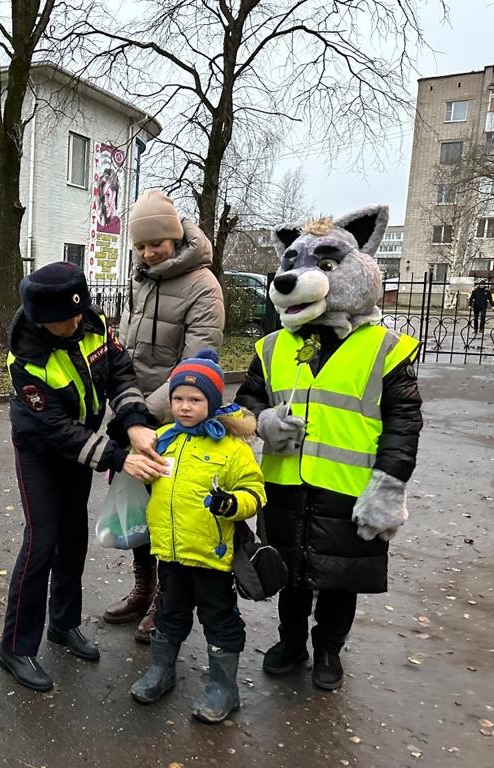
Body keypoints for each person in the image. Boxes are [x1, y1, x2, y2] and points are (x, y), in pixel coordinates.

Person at [236, 206, 422, 691]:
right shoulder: (273, 345)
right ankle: (291, 642)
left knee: (339, 579)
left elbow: (404, 422)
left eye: (325, 264)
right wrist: (263, 422)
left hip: (348, 489)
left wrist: (389, 486)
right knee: (290, 574)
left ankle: (329, 651)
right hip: (285, 484)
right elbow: (249, 399)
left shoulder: (386, 347)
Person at [0, 261, 166, 692]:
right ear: (40, 320)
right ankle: (16, 646)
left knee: (73, 536)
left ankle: (64, 623)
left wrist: (133, 421)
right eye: (63, 321)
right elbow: (54, 428)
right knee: (42, 539)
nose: (75, 324)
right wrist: (117, 458)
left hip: (83, 440)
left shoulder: (93, 322)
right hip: (40, 449)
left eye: (78, 314)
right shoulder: (26, 358)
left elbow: (120, 373)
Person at [106, 189, 224, 643]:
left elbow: (195, 369)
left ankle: (165, 603)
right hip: (131, 410)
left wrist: (140, 413)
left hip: (175, 418)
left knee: (168, 511)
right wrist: (122, 403)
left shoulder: (203, 287)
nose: (148, 251)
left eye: (156, 242)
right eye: (140, 245)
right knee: (136, 508)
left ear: (174, 236)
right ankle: (143, 586)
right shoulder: (140, 278)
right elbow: (124, 346)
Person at [130, 349, 264, 723]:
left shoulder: (232, 448)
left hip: (212, 555)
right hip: (169, 552)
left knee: (218, 617)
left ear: (213, 401)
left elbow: (255, 492)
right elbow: (139, 468)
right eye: (178, 399)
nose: (185, 407)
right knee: (169, 613)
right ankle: (161, 671)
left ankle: (224, 687)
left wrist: (231, 504)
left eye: (195, 399)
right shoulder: (163, 438)